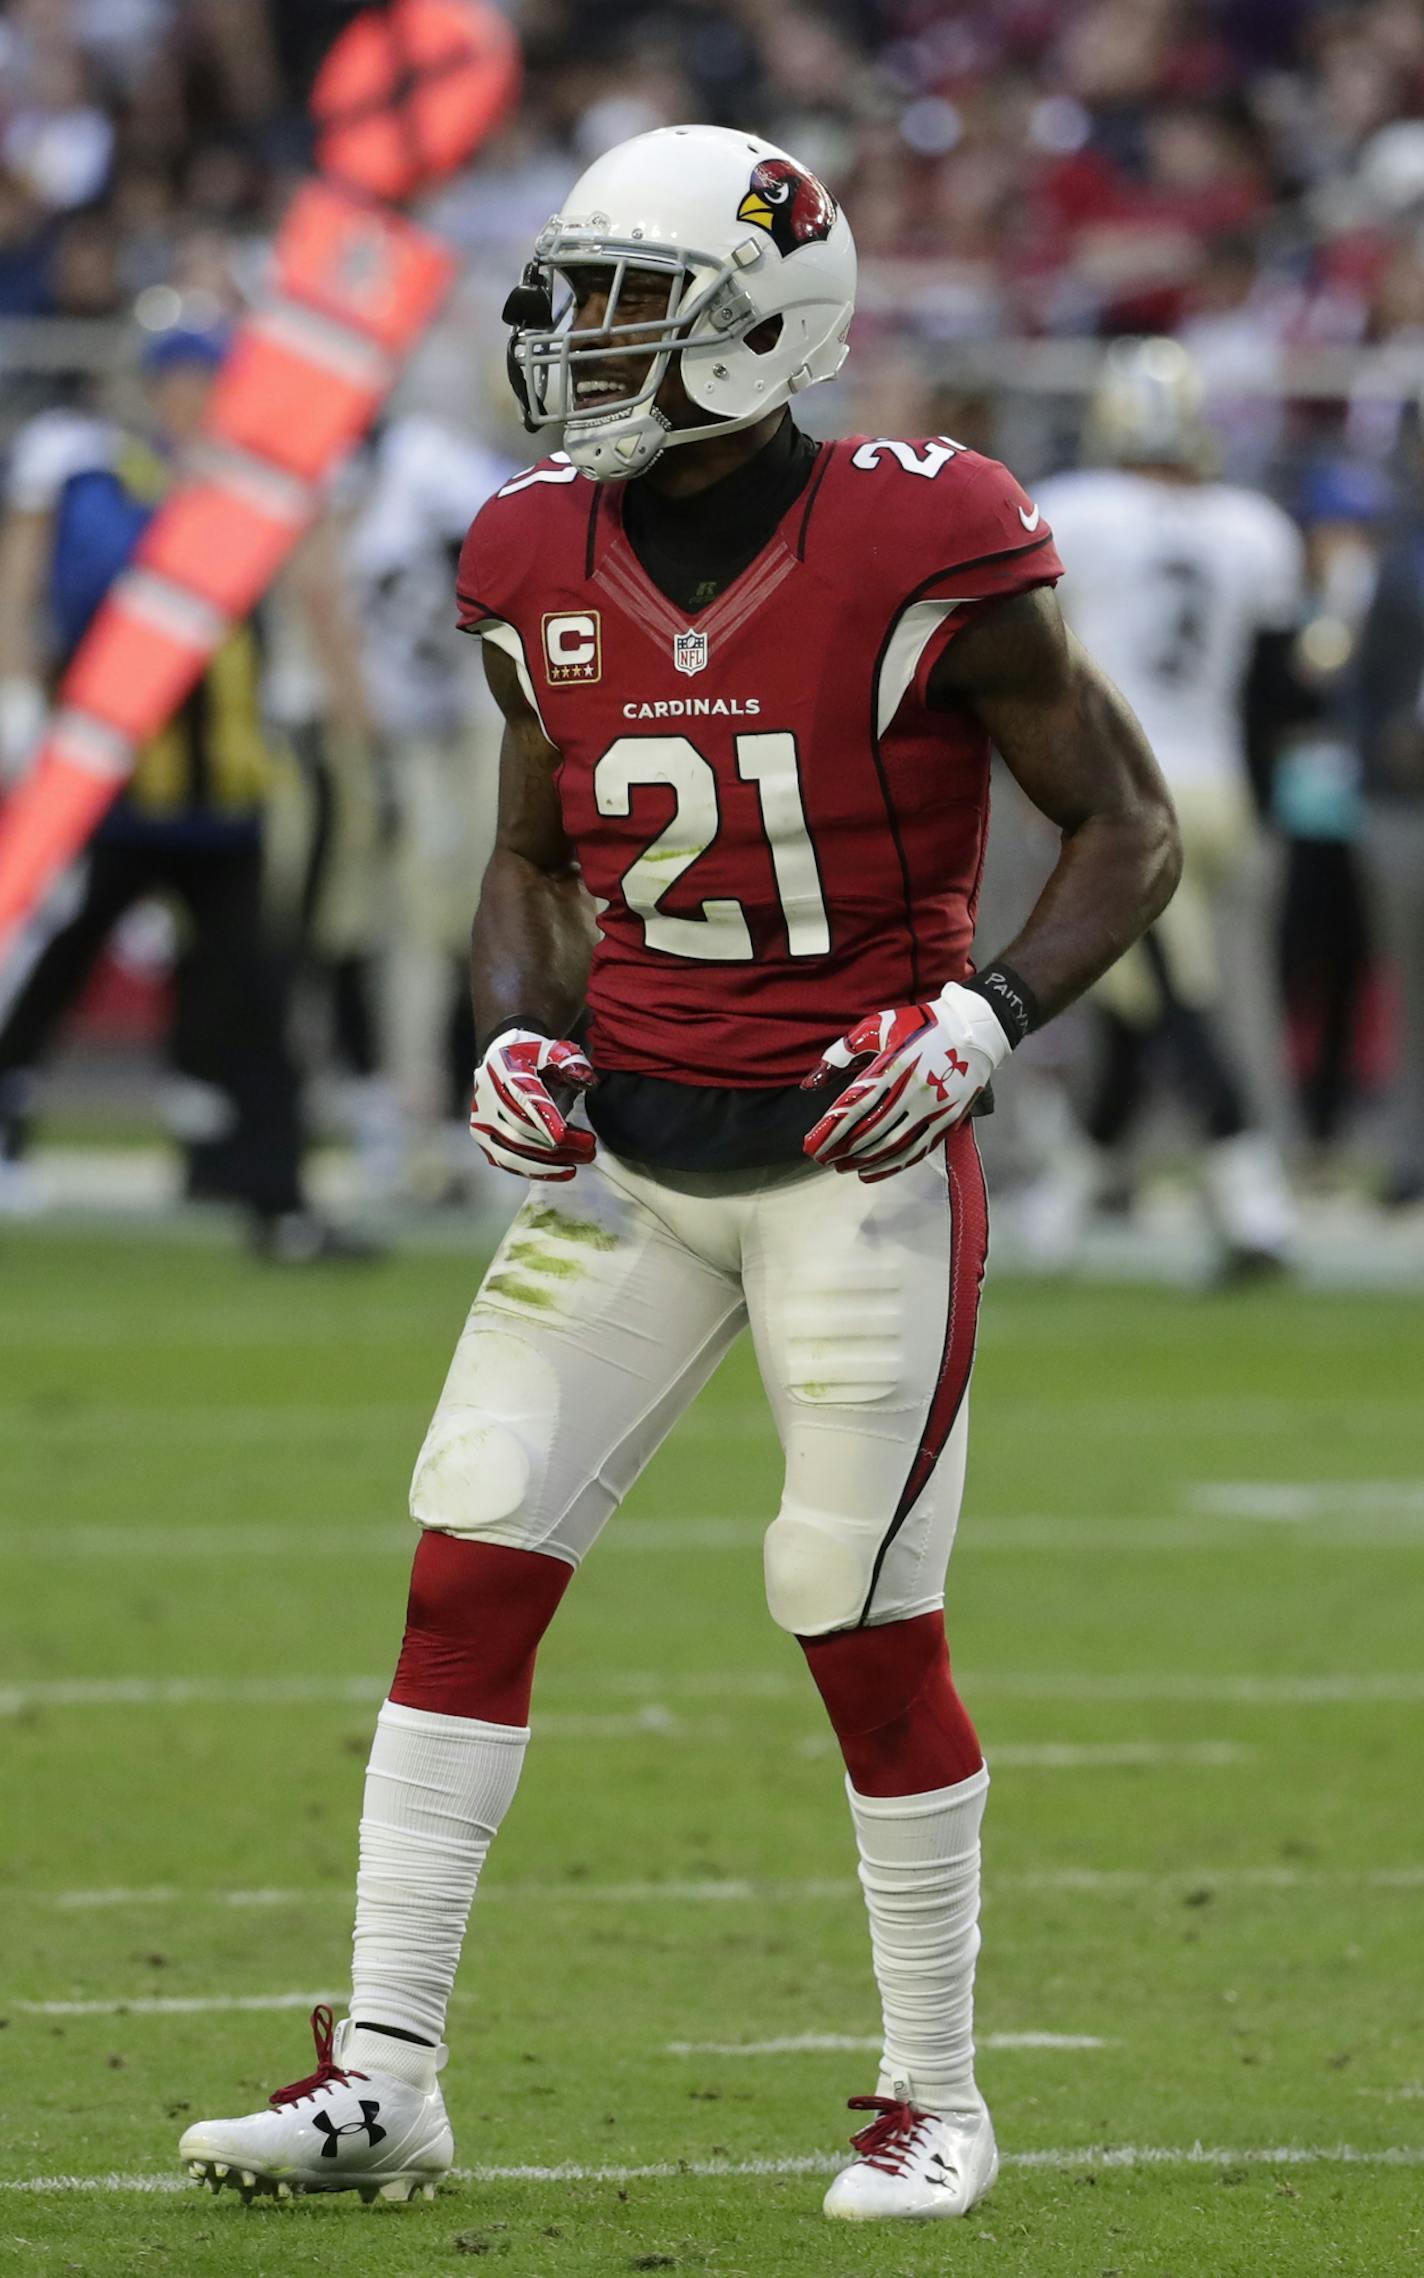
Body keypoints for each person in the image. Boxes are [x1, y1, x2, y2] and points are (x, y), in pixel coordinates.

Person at [179, 125, 1179, 2221]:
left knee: (850, 1603)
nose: (572, 345)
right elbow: (534, 856)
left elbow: (1125, 825)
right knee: (466, 1549)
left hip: (851, 1155)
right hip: (632, 1152)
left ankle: (938, 2093)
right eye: (572, 298)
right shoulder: (530, 547)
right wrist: (521, 1028)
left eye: (627, 304)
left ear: (765, 326)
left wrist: (982, 1015)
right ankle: (388, 2074)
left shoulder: (932, 532)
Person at [0, 320, 369, 1260]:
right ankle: (11, 1122)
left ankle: (273, 1196)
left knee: (252, 992)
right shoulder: (108, 481)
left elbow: (309, 582)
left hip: (228, 792)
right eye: (186, 384)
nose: (197, 402)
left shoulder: (254, 483)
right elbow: (79, 590)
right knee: (54, 971)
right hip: (121, 790)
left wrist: (341, 706)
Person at [1020, 338, 1304, 1279]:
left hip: (1130, 792)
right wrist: (1258, 812)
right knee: (1140, 1001)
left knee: (1178, 998)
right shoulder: (1255, 527)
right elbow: (1274, 695)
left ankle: (1252, 1196)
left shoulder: (1078, 512)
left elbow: (1032, 664)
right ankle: (1068, 1200)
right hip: (1220, 782)